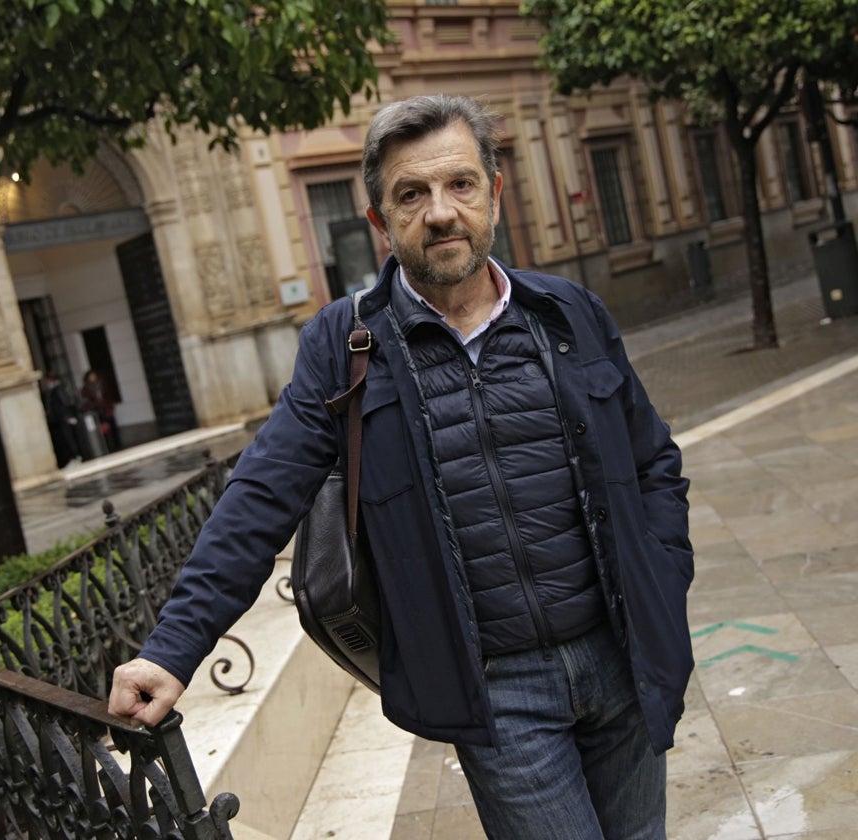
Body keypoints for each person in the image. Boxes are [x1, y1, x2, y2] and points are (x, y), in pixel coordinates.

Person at [109, 95, 693, 839]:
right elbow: (259, 497)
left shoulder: (568, 313)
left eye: (460, 185)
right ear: (380, 222)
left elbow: (653, 463)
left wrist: (664, 577)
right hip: (499, 693)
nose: (441, 213)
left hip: (623, 658)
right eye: (411, 195)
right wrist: (173, 649)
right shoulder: (345, 346)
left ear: (495, 194)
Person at [41, 371, 80, 468]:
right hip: (59, 419)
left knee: (68, 438)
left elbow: (64, 403)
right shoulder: (52, 390)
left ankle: (75, 457)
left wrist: (67, 416)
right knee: (64, 439)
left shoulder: (58, 389)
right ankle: (72, 457)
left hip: (62, 418)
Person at [80, 370, 120, 452]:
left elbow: (109, 396)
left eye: (93, 376)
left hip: (107, 409)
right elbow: (85, 401)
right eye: (90, 377)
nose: (92, 378)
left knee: (112, 426)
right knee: (102, 429)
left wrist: (110, 406)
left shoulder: (102, 385)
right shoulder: (85, 389)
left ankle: (117, 444)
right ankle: (107, 446)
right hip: (97, 411)